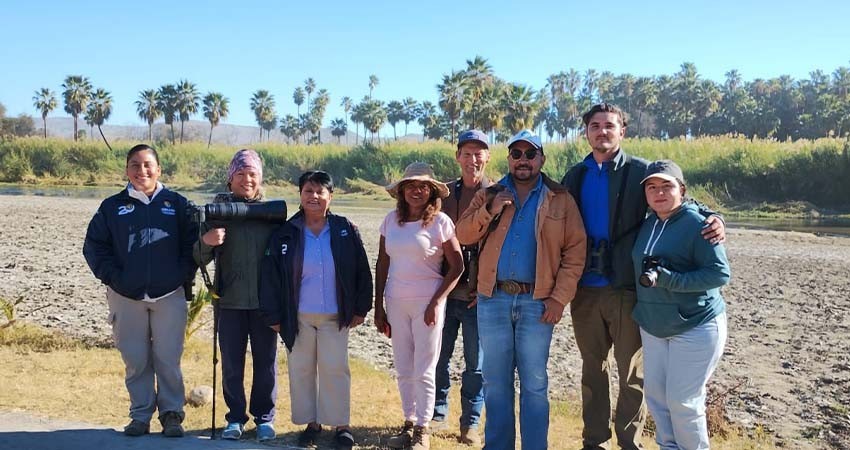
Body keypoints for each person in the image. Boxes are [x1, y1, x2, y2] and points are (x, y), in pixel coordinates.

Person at [560, 103, 725, 450]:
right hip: (584, 289)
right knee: (592, 370)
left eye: (610, 125)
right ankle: (594, 441)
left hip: (626, 289)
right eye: (595, 126)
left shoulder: (639, 172)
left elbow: (677, 198)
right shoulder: (575, 175)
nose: (602, 131)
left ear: (623, 131)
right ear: (586, 132)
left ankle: (629, 442)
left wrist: (714, 216)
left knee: (631, 374)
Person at [456, 130, 586, 450]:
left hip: (537, 302)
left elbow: (575, 253)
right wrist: (491, 210)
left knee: (535, 384)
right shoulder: (490, 193)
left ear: (542, 159)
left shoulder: (561, 198)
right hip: (493, 300)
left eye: (531, 154)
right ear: (509, 159)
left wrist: (558, 299)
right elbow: (463, 234)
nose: (524, 161)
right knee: (496, 383)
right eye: (517, 154)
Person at [83, 144, 197, 438]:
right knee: (136, 360)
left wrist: (180, 274)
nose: (141, 171)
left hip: (169, 295)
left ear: (159, 169)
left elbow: (193, 246)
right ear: (127, 170)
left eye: (148, 165)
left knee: (168, 359)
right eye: (135, 165)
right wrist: (114, 279)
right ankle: (140, 416)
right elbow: (94, 247)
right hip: (125, 296)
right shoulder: (112, 207)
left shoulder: (178, 204)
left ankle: (172, 414)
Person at [259, 170, 373, 449]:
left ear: (330, 197)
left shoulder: (345, 229)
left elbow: (361, 270)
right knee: (301, 370)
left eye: (320, 192)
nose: (314, 197)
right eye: (308, 191)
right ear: (300, 195)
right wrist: (273, 315)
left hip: (335, 315)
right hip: (297, 316)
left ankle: (341, 426)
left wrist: (361, 307)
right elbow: (270, 276)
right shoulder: (286, 232)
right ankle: (311, 424)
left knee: (336, 369)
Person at [632, 160, 730, 450]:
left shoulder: (698, 224)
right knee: (657, 399)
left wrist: (669, 279)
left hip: (695, 324)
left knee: (683, 402)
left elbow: (719, 273)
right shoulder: (648, 223)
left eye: (667, 186)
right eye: (652, 187)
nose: (659, 193)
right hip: (653, 325)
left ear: (682, 189)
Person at [373, 162, 464, 450]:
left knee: (424, 368)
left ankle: (423, 430)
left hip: (427, 303)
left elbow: (458, 266)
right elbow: (382, 264)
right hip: (395, 302)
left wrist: (436, 301)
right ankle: (409, 423)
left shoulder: (441, 222)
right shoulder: (390, 221)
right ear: (402, 191)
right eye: (411, 186)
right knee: (403, 366)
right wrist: (379, 307)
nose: (417, 190)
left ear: (432, 192)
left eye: (423, 186)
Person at [194, 149, 279, 441]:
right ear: (230, 180)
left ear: (260, 178)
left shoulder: (271, 214)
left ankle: (264, 418)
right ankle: (234, 418)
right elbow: (197, 256)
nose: (247, 179)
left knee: (266, 362)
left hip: (264, 303)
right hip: (229, 302)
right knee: (231, 363)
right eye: (240, 174)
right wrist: (207, 241)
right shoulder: (217, 214)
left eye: (252, 174)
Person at [431, 130, 490, 446]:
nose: (473, 159)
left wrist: (483, 287)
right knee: (438, 358)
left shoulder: (496, 193)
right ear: (458, 157)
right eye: (467, 153)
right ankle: (437, 413)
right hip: (442, 290)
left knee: (475, 365)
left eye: (479, 153)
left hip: (476, 296)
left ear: (487, 157)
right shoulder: (443, 194)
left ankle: (471, 422)